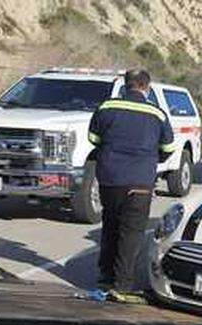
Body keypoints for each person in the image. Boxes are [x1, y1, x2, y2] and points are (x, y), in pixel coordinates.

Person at [87, 69, 175, 302]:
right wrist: (150, 159)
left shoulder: (106, 107)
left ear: (125, 85)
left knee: (111, 225)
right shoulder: (157, 113)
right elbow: (168, 148)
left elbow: (93, 139)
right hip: (140, 182)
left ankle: (105, 277)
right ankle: (122, 285)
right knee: (131, 234)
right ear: (147, 87)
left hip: (110, 179)